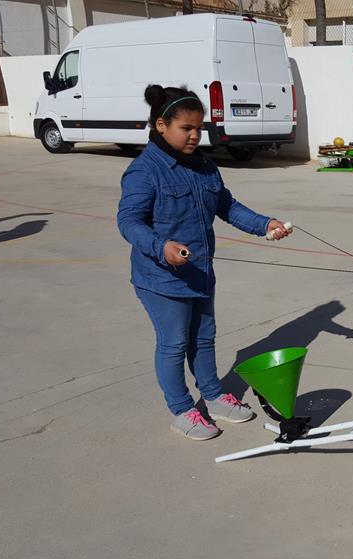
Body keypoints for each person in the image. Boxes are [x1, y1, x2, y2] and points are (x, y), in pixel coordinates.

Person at [118, 84, 292, 440]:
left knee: (204, 337)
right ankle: (182, 409)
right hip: (161, 279)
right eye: (186, 128)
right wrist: (162, 246)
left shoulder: (206, 168)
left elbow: (227, 206)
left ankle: (212, 395)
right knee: (174, 343)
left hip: (200, 273)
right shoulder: (144, 171)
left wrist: (265, 224)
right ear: (162, 125)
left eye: (199, 128)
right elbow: (129, 221)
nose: (195, 136)